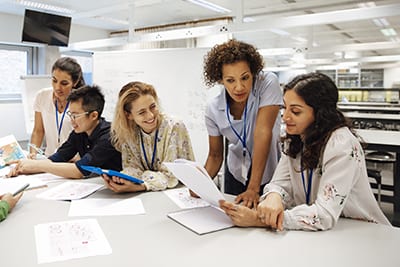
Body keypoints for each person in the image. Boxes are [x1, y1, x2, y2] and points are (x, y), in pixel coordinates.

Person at [220, 72, 391, 231]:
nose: (285, 117)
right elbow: (279, 183)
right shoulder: (296, 138)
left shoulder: (341, 145)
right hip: (318, 232)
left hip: (362, 232)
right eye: (284, 108)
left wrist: (259, 219)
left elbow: (324, 215)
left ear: (319, 114)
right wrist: (274, 196)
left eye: (295, 111)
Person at [203, 39, 282, 208]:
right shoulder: (213, 108)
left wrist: (253, 188)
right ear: (220, 80)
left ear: (253, 72)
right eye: (230, 80)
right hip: (236, 173)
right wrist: (200, 185)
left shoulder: (267, 83)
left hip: (268, 173)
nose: (239, 87)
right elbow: (215, 155)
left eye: (245, 78)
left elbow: (263, 132)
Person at [8, 85, 122, 178]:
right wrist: (24, 167)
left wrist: (38, 165)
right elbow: (57, 158)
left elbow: (79, 170)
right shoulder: (79, 132)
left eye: (75, 116)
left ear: (93, 115)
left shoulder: (109, 136)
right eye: (70, 114)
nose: (72, 121)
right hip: (98, 185)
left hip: (120, 192)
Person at [102, 81, 195, 193]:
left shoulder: (174, 126)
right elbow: (132, 168)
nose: (150, 115)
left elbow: (170, 176)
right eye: (142, 112)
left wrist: (140, 185)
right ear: (129, 115)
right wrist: (121, 178)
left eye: (153, 107)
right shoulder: (128, 131)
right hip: (147, 194)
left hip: (178, 193)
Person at [29, 57, 85, 159]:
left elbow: (85, 137)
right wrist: (33, 154)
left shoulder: (81, 103)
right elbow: (38, 131)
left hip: (73, 161)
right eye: (54, 80)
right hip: (49, 159)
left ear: (75, 82)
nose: (57, 87)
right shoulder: (42, 96)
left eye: (64, 83)